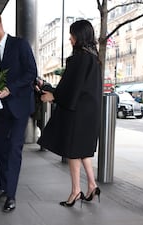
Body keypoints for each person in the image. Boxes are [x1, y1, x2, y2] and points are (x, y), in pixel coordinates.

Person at [37, 20, 102, 208]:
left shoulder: (79, 58)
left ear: (79, 36)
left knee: (73, 151)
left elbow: (71, 87)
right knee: (82, 150)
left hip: (77, 112)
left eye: (72, 34)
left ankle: (75, 191)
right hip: (90, 112)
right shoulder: (93, 58)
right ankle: (91, 184)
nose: (70, 38)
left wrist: (53, 95)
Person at [0, 12, 37, 212]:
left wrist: (10, 88)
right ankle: (3, 186)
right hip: (1, 108)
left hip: (20, 106)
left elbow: (31, 73)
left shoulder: (20, 44)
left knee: (14, 149)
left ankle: (11, 195)